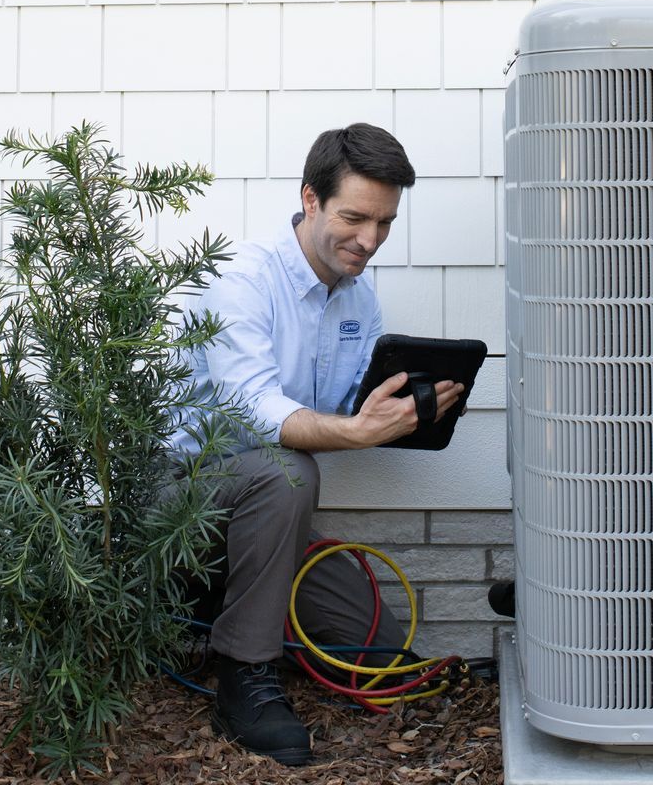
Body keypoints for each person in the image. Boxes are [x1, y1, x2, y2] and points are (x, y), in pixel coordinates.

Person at [169, 122, 464, 766]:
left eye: (384, 223)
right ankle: (243, 677)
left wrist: (405, 413)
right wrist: (356, 432)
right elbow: (259, 412)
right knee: (287, 471)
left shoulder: (358, 302)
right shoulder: (243, 279)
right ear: (310, 198)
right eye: (355, 217)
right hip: (175, 506)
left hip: (261, 520)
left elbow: (337, 414)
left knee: (379, 655)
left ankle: (220, 600)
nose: (370, 240)